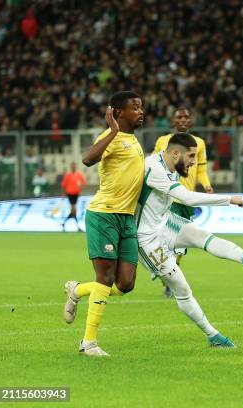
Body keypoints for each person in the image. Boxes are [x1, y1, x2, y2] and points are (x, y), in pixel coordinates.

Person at [137, 133, 243, 347]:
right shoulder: (154, 168)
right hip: (145, 238)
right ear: (175, 153)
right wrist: (229, 199)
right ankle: (213, 335)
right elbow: (187, 197)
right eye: (191, 156)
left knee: (201, 235)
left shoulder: (171, 166)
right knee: (180, 287)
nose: (193, 162)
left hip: (165, 223)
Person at [63, 91, 145, 356]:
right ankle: (89, 342)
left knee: (125, 284)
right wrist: (111, 130)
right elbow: (88, 159)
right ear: (119, 112)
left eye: (141, 107)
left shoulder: (134, 141)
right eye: (135, 107)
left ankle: (76, 290)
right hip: (104, 215)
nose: (141, 111)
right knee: (105, 277)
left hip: (126, 219)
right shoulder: (109, 137)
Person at [152, 107, 213, 297]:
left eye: (187, 117)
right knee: (166, 237)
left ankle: (166, 272)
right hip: (165, 196)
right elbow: (153, 164)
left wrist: (207, 185)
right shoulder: (163, 141)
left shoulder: (199, 143)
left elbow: (201, 169)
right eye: (180, 117)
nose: (184, 120)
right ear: (173, 121)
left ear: (191, 121)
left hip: (187, 198)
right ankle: (166, 272)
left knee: (178, 241)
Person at [60, 162, 86, 231]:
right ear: (71, 167)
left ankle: (64, 223)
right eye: (72, 166)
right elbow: (64, 185)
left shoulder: (79, 175)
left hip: (76, 194)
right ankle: (77, 227)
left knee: (74, 211)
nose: (73, 167)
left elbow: (83, 183)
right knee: (74, 210)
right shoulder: (68, 175)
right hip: (70, 194)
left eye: (74, 166)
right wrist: (64, 194)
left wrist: (80, 189)